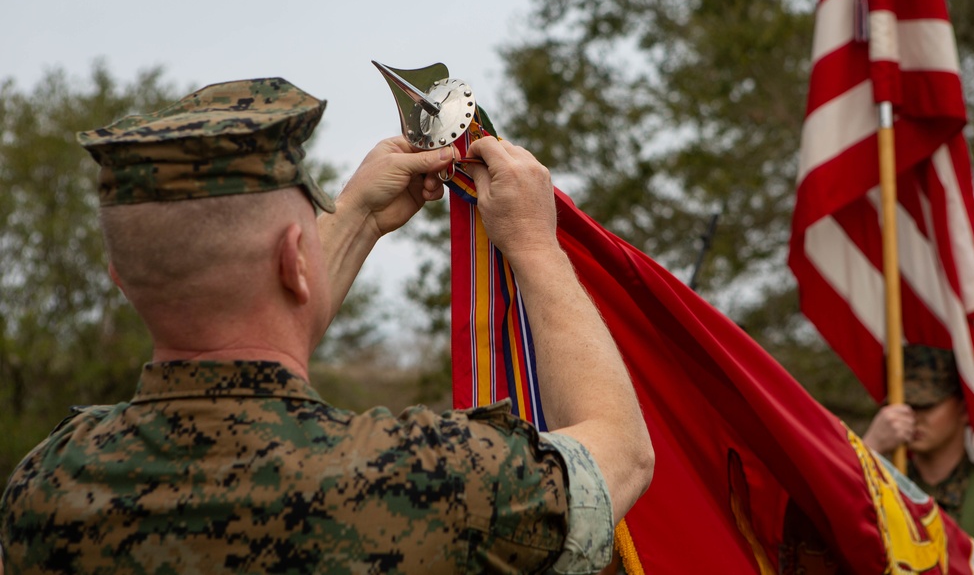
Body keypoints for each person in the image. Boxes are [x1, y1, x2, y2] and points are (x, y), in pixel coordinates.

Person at [0, 78, 654, 574]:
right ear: (294, 257)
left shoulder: (47, 492)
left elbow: (263, 320)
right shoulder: (433, 478)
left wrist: (359, 219)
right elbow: (621, 454)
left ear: (118, 277)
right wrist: (535, 246)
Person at [862, 344, 974, 553]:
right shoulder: (882, 485)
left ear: (964, 409)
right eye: (904, 405)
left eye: (925, 405)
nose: (911, 417)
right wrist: (869, 448)